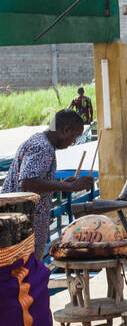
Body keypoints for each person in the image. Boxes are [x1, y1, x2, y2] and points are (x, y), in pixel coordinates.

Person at [0, 110, 94, 259]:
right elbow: (27, 183)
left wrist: (64, 183)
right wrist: (70, 187)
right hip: (21, 228)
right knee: (24, 275)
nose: (74, 141)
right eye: (74, 136)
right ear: (65, 130)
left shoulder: (40, 142)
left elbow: (33, 179)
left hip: (21, 225)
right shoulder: (42, 147)